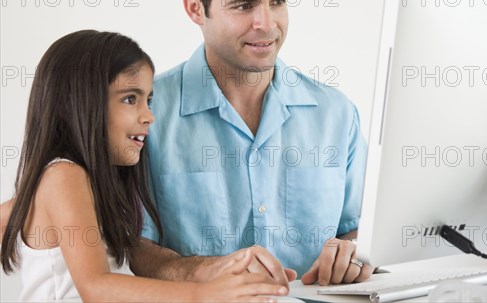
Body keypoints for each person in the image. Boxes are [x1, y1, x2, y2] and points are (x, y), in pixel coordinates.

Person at [128, 0, 374, 286]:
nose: (267, 23)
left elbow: (358, 232)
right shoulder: (147, 113)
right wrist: (206, 270)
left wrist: (352, 254)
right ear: (196, 8)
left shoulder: (336, 114)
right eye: (244, 5)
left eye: (277, 1)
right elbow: (135, 247)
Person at [0, 30, 288, 302]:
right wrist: (206, 295)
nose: (149, 116)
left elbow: (15, 213)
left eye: (148, 100)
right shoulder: (63, 175)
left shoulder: (70, 183)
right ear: (79, 102)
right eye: (130, 99)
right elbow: (96, 287)